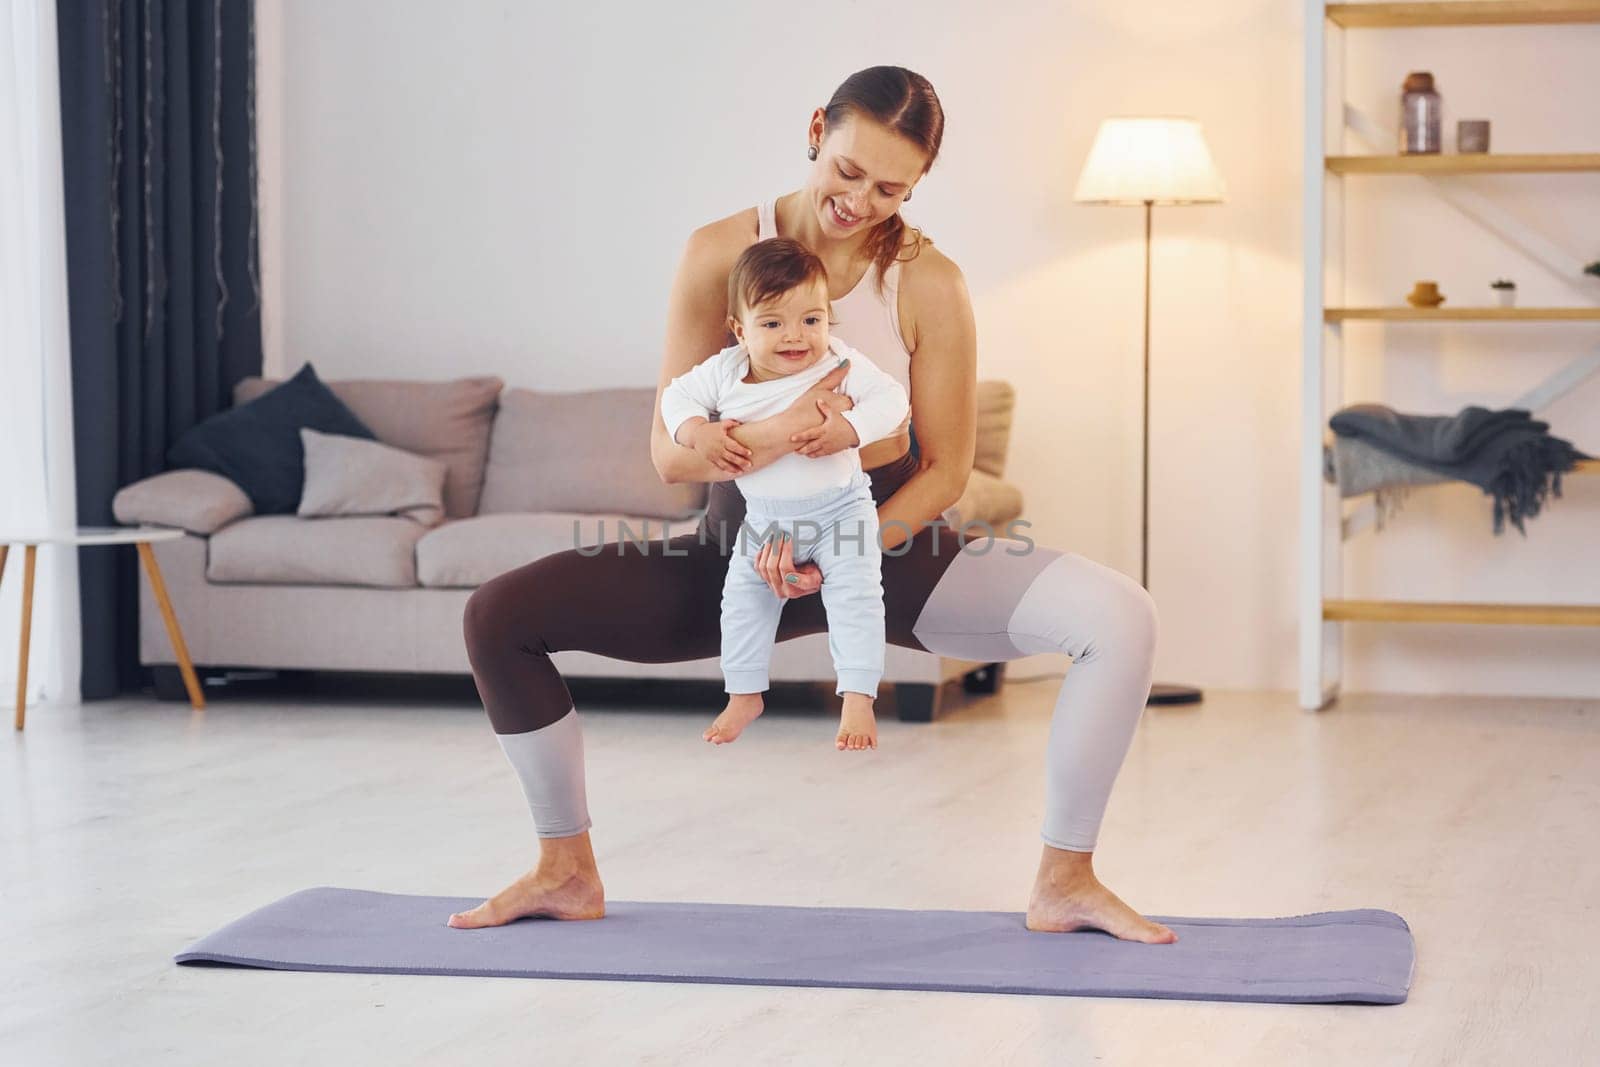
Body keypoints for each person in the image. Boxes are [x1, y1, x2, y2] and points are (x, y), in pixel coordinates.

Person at [450, 66, 1177, 944]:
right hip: (737, 555)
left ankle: (1066, 880)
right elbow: (670, 453)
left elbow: (946, 467)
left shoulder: (928, 281)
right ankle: (565, 869)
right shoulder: (721, 252)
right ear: (814, 131)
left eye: (890, 187)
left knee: (1121, 616)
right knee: (498, 615)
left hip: (889, 548)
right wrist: (790, 432)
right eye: (847, 170)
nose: (860, 201)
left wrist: (846, 549)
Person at [662, 237, 909, 751]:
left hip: (842, 509)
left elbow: (893, 400)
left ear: (827, 321)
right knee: (742, 601)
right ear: (740, 329)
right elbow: (676, 397)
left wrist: (854, 429)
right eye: (772, 323)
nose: (795, 337)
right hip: (766, 519)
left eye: (811, 321)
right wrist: (695, 432)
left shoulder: (838, 362)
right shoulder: (726, 370)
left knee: (856, 597)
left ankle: (858, 698)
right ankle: (744, 692)